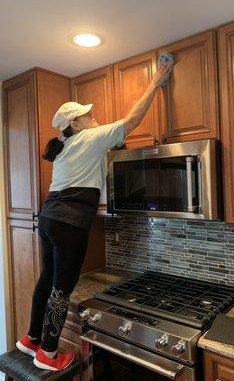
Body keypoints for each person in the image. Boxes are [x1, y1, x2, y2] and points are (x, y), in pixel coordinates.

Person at [15, 61, 173, 371]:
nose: (93, 116)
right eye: (87, 114)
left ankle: (31, 338)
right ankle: (47, 352)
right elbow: (133, 119)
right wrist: (155, 83)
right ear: (75, 123)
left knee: (48, 277)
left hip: (48, 218)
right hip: (70, 222)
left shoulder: (66, 146)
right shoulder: (90, 138)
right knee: (63, 286)